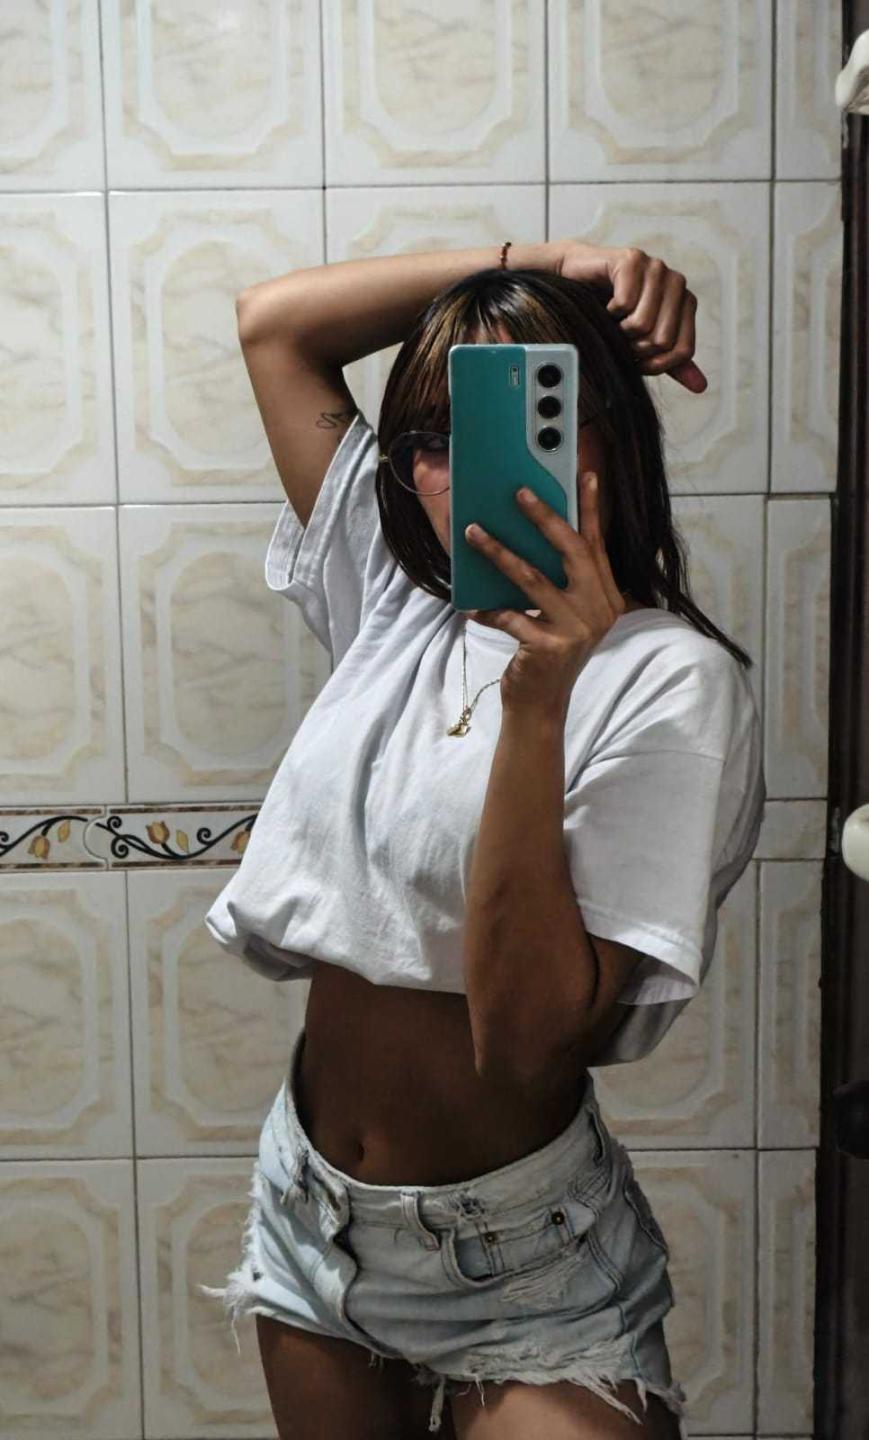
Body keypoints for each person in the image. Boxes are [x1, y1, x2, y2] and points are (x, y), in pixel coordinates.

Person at [199, 239, 766, 1439]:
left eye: (515, 424)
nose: (453, 469)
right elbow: (275, 327)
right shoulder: (392, 594)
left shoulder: (669, 683)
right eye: (430, 436)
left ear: (603, 439)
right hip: (309, 1218)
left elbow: (521, 1043)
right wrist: (552, 261)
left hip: (520, 1265)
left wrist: (540, 697)